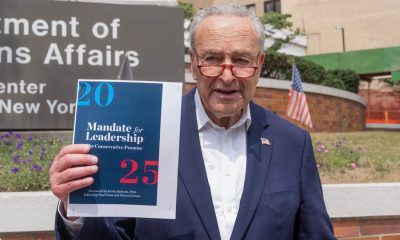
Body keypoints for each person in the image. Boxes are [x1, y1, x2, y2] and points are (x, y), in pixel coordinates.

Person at [50, 4, 335, 240]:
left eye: (241, 60)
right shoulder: (148, 132)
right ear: (192, 62)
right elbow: (112, 235)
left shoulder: (292, 144)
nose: (227, 75)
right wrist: (76, 209)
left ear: (259, 64)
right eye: (212, 58)